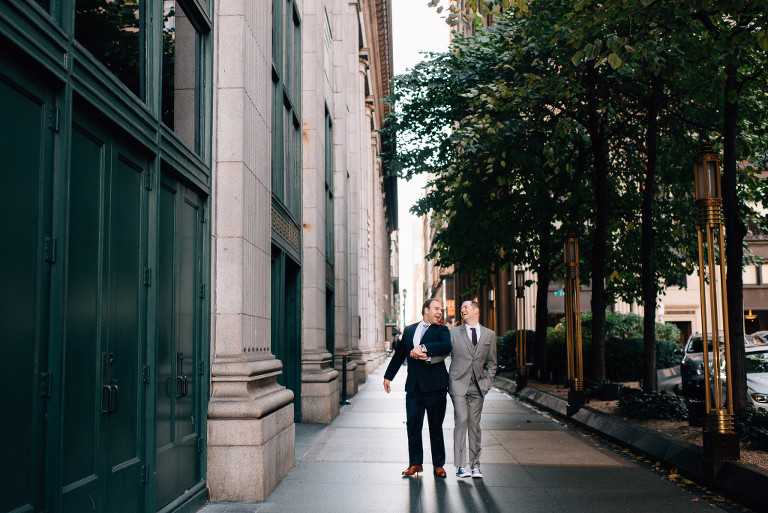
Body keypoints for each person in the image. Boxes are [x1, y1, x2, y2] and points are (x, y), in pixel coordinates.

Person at [383, 298, 452, 477]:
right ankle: (415, 463)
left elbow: (446, 346)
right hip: (413, 389)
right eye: (436, 309)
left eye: (441, 310)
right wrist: (388, 376)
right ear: (426, 310)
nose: (440, 313)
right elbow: (399, 355)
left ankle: (438, 464)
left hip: (436, 388)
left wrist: (423, 347)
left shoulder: (442, 330)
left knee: (435, 427)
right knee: (413, 426)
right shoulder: (409, 330)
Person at [448, 300, 497, 478]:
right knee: (461, 420)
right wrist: (425, 352)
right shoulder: (453, 332)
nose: (462, 310)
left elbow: (492, 363)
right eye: (460, 308)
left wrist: (486, 384)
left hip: (478, 386)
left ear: (476, 310)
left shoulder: (489, 335)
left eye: (465, 307)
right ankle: (461, 466)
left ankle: (475, 465)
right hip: (458, 384)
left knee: (474, 425)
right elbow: (442, 351)